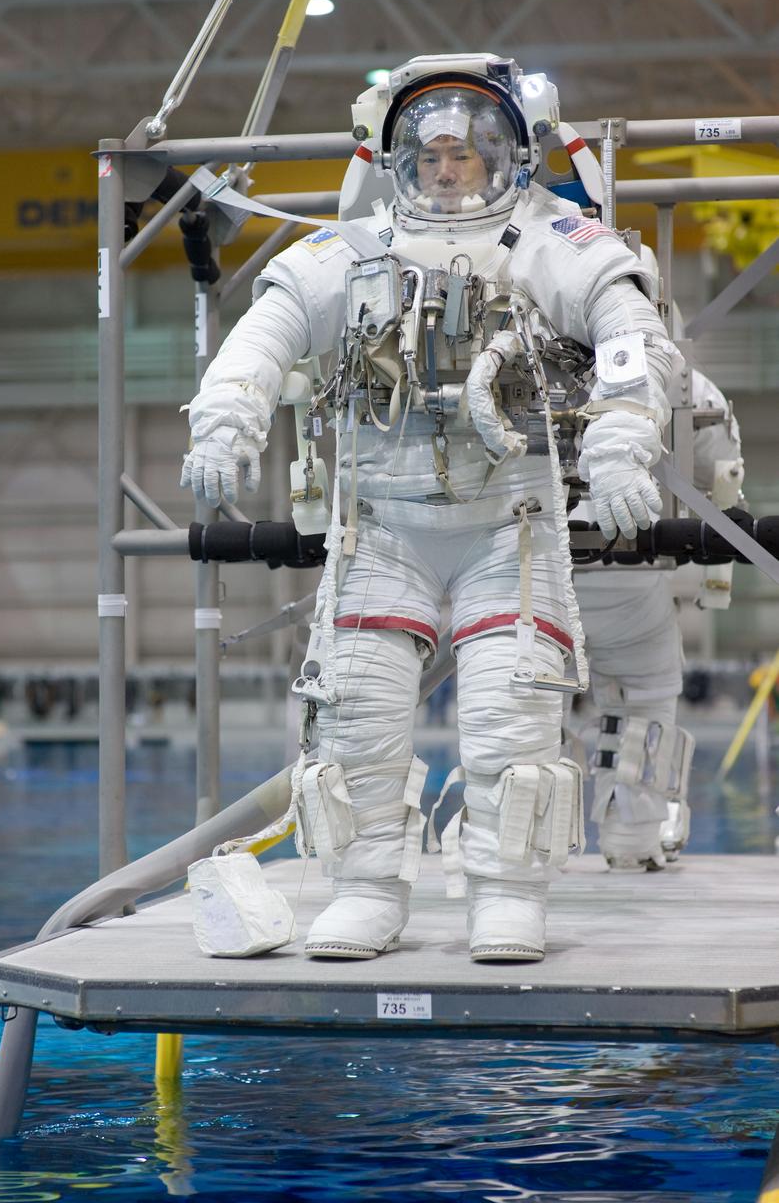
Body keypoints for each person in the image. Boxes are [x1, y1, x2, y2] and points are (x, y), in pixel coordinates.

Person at [181, 53, 681, 962]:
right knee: (356, 718)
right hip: (382, 527)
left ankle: (505, 898)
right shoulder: (350, 250)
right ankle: (366, 891)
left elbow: (631, 340)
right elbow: (264, 332)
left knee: (511, 719)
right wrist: (226, 422)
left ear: (507, 155)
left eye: (467, 153)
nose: (448, 170)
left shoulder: (551, 242)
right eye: (431, 154)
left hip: (509, 527)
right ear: (398, 158)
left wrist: (616, 446)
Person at [576, 365, 743, 869]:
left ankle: (511, 865)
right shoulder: (680, 381)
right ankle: (632, 840)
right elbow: (726, 478)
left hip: (534, 575)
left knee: (520, 720)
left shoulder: (520, 363)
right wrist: (715, 581)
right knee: (642, 707)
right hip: (637, 570)